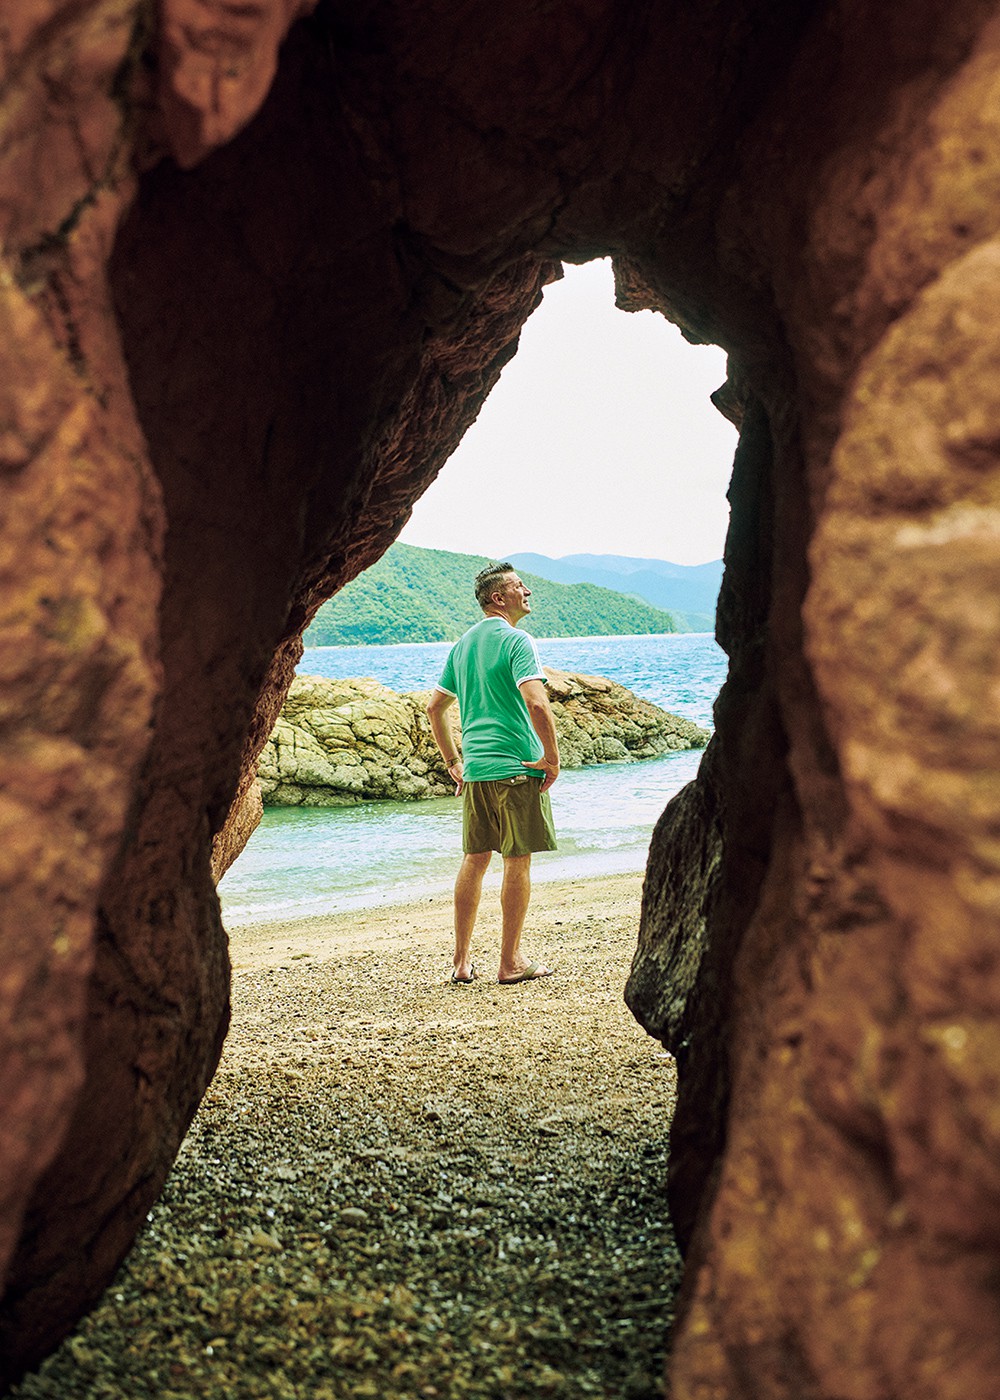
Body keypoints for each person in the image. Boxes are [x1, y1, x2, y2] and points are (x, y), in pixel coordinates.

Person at [427, 563, 560, 985]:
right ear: (498, 598)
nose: (528, 590)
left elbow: (435, 708)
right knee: (516, 862)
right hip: (517, 768)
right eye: (519, 585)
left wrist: (453, 762)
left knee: (475, 859)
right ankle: (510, 962)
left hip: (478, 771)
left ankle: (461, 962)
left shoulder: (463, 644)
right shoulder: (518, 640)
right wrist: (552, 758)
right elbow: (537, 704)